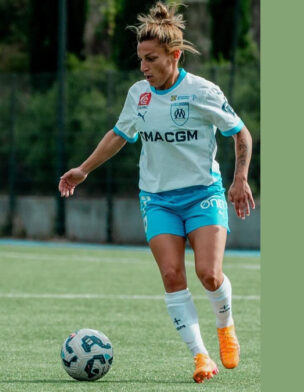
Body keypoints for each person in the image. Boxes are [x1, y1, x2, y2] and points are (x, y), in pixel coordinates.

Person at [58, 2, 256, 384]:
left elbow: (240, 133)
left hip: (202, 194)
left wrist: (240, 178)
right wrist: (83, 169)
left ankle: (225, 326)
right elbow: (120, 134)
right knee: (171, 274)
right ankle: (200, 357)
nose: (144, 67)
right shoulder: (139, 95)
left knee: (209, 274)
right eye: (140, 60)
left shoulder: (203, 91)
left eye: (151, 59)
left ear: (174, 55)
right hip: (158, 198)